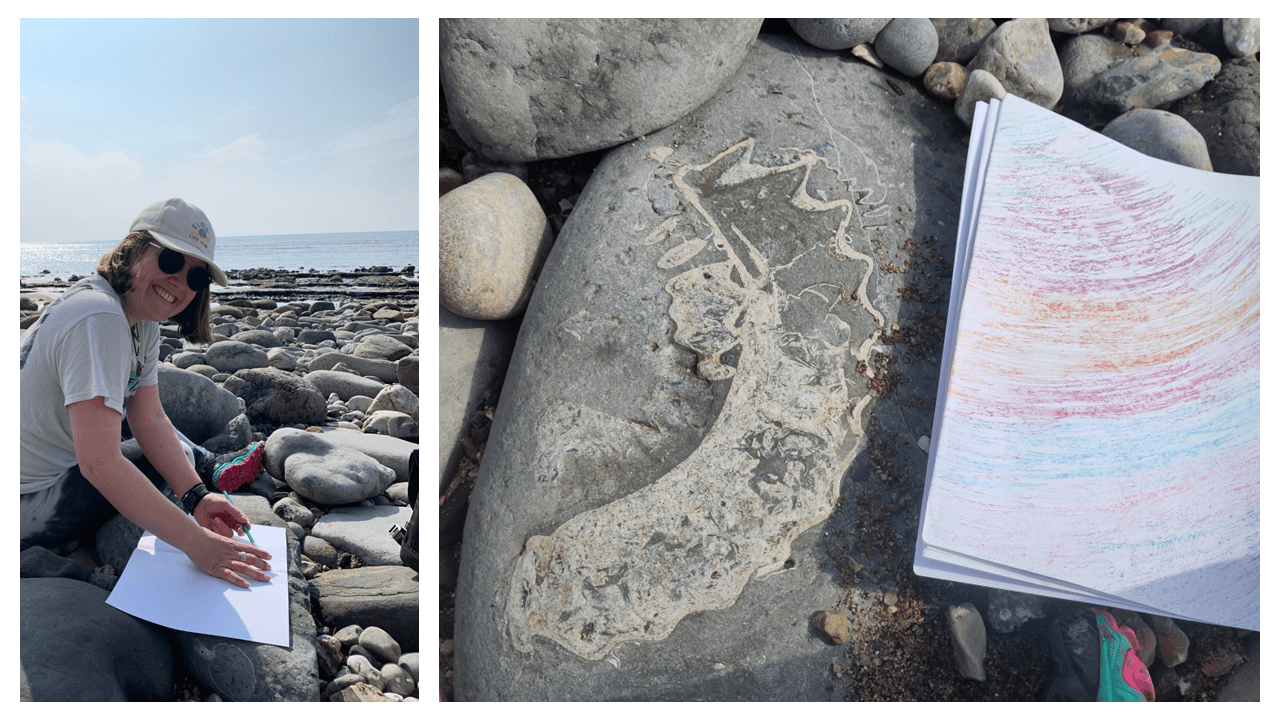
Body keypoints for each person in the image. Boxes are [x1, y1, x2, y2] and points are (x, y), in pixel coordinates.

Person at [20, 198, 272, 588]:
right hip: (23, 500)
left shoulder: (139, 319)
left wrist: (198, 498)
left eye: (197, 277)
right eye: (171, 260)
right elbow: (100, 464)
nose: (180, 282)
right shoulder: (99, 318)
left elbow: (150, 417)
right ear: (134, 247)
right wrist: (195, 543)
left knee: (172, 458)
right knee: (166, 460)